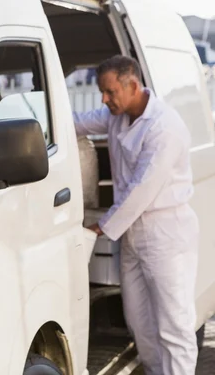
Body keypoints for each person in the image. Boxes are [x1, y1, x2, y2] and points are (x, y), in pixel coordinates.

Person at [74, 55, 199, 375]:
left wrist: (101, 225)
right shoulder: (117, 115)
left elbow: (143, 188)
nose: (104, 99)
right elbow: (78, 121)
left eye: (109, 91)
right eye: (101, 91)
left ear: (132, 85)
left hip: (166, 231)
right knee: (138, 320)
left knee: (174, 325)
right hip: (132, 234)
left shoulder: (164, 126)